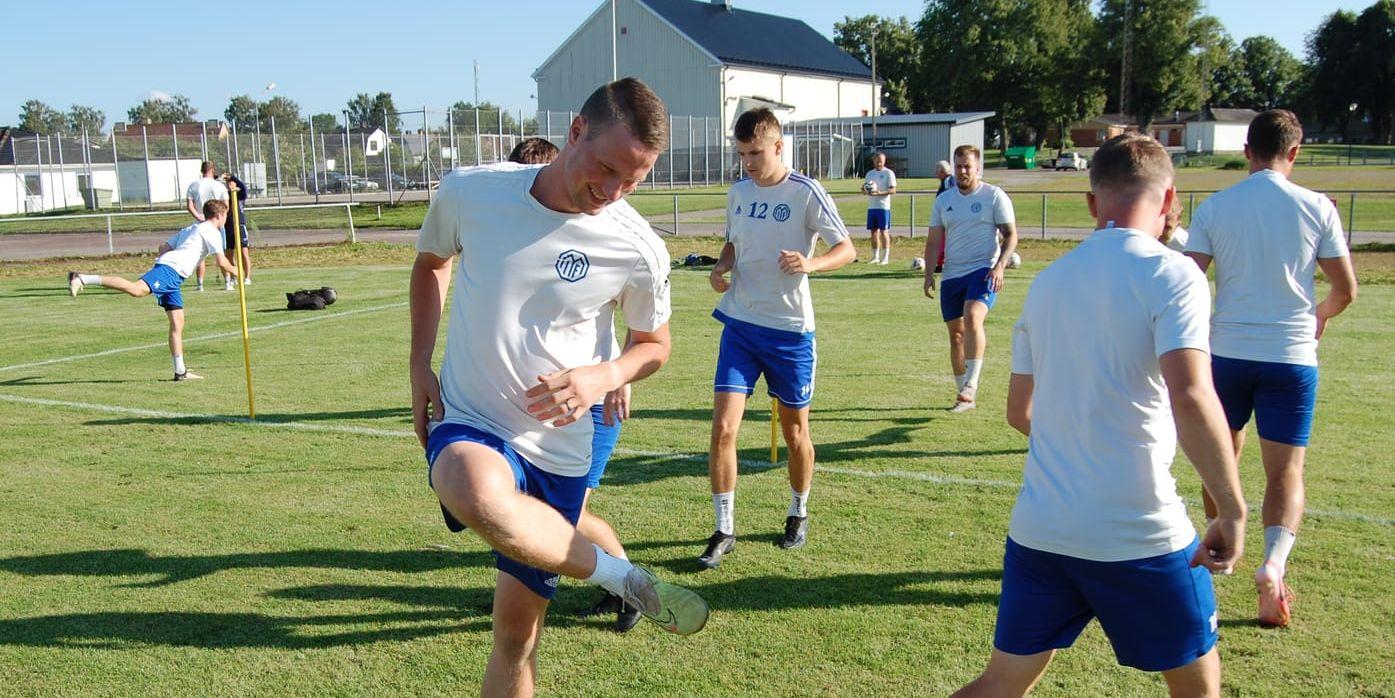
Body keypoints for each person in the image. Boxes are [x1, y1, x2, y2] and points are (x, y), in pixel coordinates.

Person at [410, 78, 708, 695]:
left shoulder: (639, 247)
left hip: (561, 452)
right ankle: (618, 576)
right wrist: (419, 363)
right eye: (606, 168)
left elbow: (655, 344)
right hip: (474, 419)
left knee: (516, 641)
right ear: (575, 131)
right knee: (470, 483)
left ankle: (611, 573)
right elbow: (431, 263)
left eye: (635, 179)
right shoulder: (472, 192)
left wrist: (607, 373)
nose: (616, 191)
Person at [954, 133, 1247, 698]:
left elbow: (1021, 412)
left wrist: (1081, 441)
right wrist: (1231, 510)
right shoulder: (1175, 274)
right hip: (1140, 533)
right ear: (1168, 202)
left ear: (1092, 204)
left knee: (998, 684)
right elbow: (1191, 394)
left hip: (1042, 529)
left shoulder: (1048, 283)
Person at [1183, 109, 1358, 628]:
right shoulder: (1317, 207)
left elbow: (1189, 281)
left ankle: (1219, 549)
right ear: (1295, 152)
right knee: (1286, 470)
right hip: (1291, 358)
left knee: (1221, 460)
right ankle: (1272, 566)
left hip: (1228, 353)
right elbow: (1345, 289)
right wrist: (1318, 317)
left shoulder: (1215, 206)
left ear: (1247, 150)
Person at [700, 107, 855, 568]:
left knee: (794, 433)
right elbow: (733, 243)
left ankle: (797, 511)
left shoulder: (806, 192)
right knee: (724, 428)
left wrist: (811, 264)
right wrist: (721, 266)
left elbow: (846, 248)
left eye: (756, 153)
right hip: (740, 327)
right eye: (742, 153)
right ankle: (724, 529)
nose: (748, 162)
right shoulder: (738, 192)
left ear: (779, 146)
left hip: (790, 333)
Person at [507, 134, 639, 633]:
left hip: (591, 406)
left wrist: (619, 375)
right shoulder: (524, 239)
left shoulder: (600, 238)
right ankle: (538, 585)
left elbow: (642, 318)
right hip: (536, 410)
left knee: (567, 513)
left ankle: (628, 584)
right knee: (535, 508)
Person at [67, 200, 238, 381]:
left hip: (174, 276)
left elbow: (164, 247)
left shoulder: (192, 229)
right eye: (225, 215)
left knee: (178, 323)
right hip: (169, 271)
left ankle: (180, 371)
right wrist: (237, 272)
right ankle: (81, 278)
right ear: (219, 215)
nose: (226, 219)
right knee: (136, 290)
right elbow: (222, 262)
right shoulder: (211, 231)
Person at [922, 145, 1019, 413]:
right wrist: (929, 273)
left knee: (973, 315)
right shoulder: (943, 200)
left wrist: (999, 266)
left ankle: (971, 385)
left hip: (983, 270)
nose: (963, 171)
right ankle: (964, 396)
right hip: (952, 274)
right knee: (956, 336)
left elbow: (1011, 235)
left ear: (978, 168)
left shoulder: (994, 196)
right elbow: (933, 242)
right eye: (959, 166)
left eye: (968, 166)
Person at [185, 161, 228, 292]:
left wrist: (198, 217)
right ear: (212, 170)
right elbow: (226, 206)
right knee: (221, 254)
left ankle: (200, 284)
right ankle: (228, 282)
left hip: (200, 223)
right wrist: (222, 221)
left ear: (202, 171)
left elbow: (189, 205)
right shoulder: (219, 185)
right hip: (216, 222)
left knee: (200, 255)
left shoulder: (193, 185)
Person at [863, 151, 897, 265]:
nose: (879, 163)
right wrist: (864, 190)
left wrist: (879, 193)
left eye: (881, 161)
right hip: (872, 207)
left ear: (884, 161)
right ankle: (875, 257)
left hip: (883, 207)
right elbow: (866, 187)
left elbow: (893, 190)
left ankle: (885, 258)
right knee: (873, 232)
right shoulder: (869, 174)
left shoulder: (889, 173)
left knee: (884, 232)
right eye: (877, 161)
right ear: (874, 161)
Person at [221, 172, 253, 290]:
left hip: (239, 225)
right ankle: (234, 277)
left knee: (244, 253)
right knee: (229, 254)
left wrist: (232, 177)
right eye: (228, 182)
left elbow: (243, 187)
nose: (229, 184)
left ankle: (247, 277)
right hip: (228, 226)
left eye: (231, 182)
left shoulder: (240, 194)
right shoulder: (224, 195)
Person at [932, 160, 954, 272]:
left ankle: (942, 264)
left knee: (945, 240)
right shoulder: (947, 181)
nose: (935, 174)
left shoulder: (948, 181)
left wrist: (946, 213)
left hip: (948, 216)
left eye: (937, 171)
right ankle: (940, 264)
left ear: (942, 171)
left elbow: (949, 197)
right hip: (948, 215)